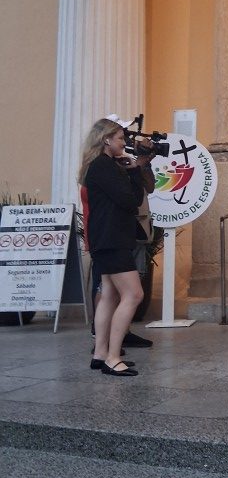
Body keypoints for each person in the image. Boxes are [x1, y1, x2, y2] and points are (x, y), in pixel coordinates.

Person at [79, 119, 145, 376]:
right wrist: (133, 171)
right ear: (106, 139)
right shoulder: (103, 167)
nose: (124, 143)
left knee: (109, 295)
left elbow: (132, 200)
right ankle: (113, 357)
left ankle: (100, 354)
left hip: (106, 239)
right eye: (119, 138)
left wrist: (132, 170)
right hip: (112, 240)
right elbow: (131, 202)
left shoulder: (103, 166)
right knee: (134, 295)